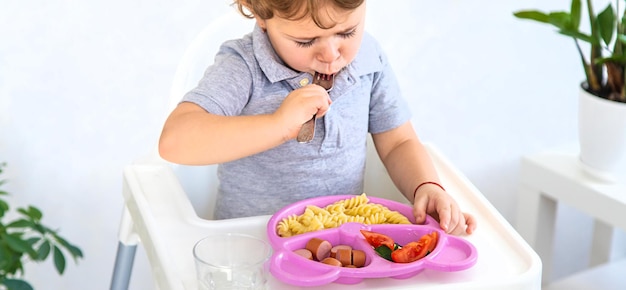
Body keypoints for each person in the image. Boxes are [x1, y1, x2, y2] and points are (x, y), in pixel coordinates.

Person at [158, 0, 476, 235]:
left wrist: (426, 186)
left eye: (347, 31)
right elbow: (176, 141)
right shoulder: (244, 67)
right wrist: (277, 126)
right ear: (258, 14)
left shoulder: (369, 59)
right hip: (251, 243)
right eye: (306, 41)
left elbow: (398, 142)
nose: (331, 54)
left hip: (345, 240)